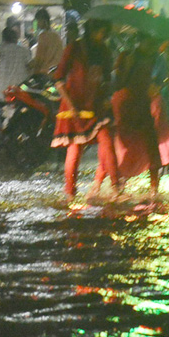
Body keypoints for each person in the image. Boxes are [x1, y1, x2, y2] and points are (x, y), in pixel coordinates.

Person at [51, 18, 119, 202]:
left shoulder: (105, 51)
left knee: (107, 142)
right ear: (91, 30)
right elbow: (58, 79)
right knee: (75, 148)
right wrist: (71, 106)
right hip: (74, 107)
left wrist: (106, 97)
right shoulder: (74, 49)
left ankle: (116, 189)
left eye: (106, 33)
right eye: (101, 32)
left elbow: (105, 79)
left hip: (96, 106)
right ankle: (70, 194)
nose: (103, 36)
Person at [107, 33, 169, 203]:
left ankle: (154, 190)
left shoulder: (156, 58)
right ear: (140, 42)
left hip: (144, 106)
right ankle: (118, 187)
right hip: (127, 107)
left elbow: (161, 82)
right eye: (150, 43)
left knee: (152, 146)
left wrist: (158, 87)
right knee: (124, 147)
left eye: (154, 44)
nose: (153, 47)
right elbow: (117, 83)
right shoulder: (127, 57)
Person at [0, 26, 32, 114]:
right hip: (21, 90)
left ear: (4, 39)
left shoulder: (1, 49)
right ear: (16, 38)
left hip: (2, 91)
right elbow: (30, 66)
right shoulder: (24, 50)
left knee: (1, 114)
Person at [28, 8, 65, 76]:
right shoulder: (56, 36)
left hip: (44, 74)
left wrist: (29, 65)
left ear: (44, 20)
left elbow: (39, 59)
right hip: (55, 72)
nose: (38, 24)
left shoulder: (43, 36)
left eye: (38, 21)